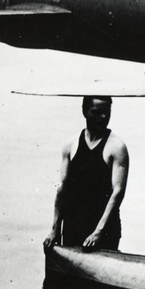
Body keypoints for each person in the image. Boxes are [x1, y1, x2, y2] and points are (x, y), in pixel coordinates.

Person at [45, 96, 130, 250]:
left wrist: (98, 231)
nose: (103, 117)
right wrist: (55, 229)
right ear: (84, 111)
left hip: (104, 229)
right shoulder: (71, 144)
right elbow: (62, 188)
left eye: (106, 112)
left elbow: (118, 192)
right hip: (73, 225)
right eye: (96, 112)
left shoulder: (117, 147)